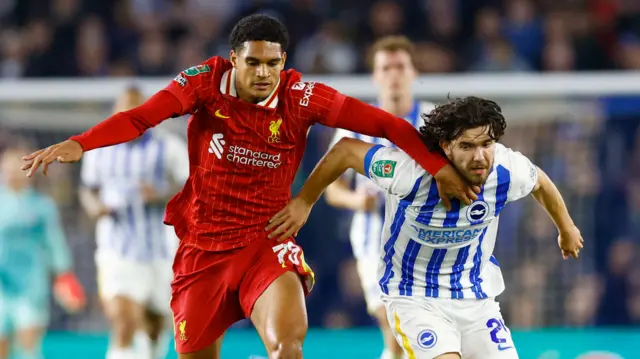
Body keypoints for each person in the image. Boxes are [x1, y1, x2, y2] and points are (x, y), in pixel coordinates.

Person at [21, 14, 479, 359]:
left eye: (273, 64)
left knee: (288, 348)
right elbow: (143, 117)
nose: (263, 73)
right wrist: (82, 143)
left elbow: (381, 123)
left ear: (284, 62)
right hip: (204, 248)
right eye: (254, 62)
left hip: (267, 241)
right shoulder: (203, 83)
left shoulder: (301, 97)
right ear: (234, 58)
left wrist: (434, 165)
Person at [268, 96, 584, 359]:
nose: (479, 157)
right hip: (412, 297)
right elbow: (346, 151)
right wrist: (305, 201)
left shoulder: (505, 169)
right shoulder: (407, 171)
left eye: (487, 144)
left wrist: (566, 227)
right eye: (467, 146)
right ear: (445, 146)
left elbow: (539, 181)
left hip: (474, 297)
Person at [325, 35, 431, 359]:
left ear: (414, 73)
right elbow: (332, 189)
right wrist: (358, 201)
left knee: (421, 335)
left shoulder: (435, 122)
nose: (393, 74)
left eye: (400, 66)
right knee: (396, 329)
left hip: (429, 240)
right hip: (376, 242)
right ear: (375, 75)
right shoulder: (353, 127)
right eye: (386, 67)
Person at [78, 87, 189, 359]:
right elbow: (87, 189)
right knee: (125, 320)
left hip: (162, 251)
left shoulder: (169, 148)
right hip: (117, 251)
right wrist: (95, 207)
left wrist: (161, 194)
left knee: (154, 327)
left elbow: (194, 190)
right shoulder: (98, 149)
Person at [0, 142, 85, 359]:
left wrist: (64, 277)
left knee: (28, 344)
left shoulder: (42, 206)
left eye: (15, 168)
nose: (10, 173)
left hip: (31, 287)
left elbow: (54, 243)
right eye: (6, 168)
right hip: (2, 286)